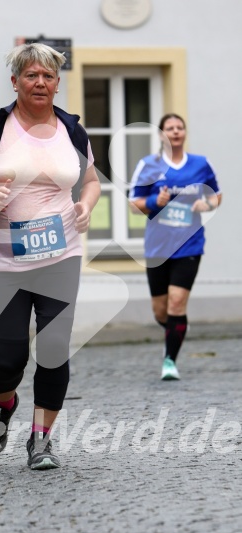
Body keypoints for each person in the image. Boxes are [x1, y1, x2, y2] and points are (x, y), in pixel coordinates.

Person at [0, 43, 100, 469]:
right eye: (31, 75)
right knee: (10, 357)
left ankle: (41, 440)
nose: (40, 82)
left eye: (48, 76)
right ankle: (4, 403)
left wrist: (86, 205)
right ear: (15, 81)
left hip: (61, 253)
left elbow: (90, 181)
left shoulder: (72, 129)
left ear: (56, 83)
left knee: (54, 349)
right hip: (3, 259)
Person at [129, 113, 222, 381]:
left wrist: (207, 204)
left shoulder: (201, 164)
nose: (176, 131)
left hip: (189, 244)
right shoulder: (148, 165)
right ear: (161, 135)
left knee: (177, 302)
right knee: (161, 310)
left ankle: (169, 360)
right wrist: (156, 201)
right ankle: (175, 327)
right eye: (170, 128)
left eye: (180, 127)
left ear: (184, 133)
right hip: (157, 247)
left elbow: (217, 194)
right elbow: (134, 203)